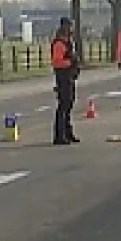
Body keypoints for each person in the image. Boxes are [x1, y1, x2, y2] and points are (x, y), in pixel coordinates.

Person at [50, 17, 82, 145]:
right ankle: (59, 135)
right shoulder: (59, 43)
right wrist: (70, 63)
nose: (71, 29)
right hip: (63, 77)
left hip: (70, 77)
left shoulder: (69, 42)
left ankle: (68, 133)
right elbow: (57, 62)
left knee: (69, 105)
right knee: (63, 106)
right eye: (70, 26)